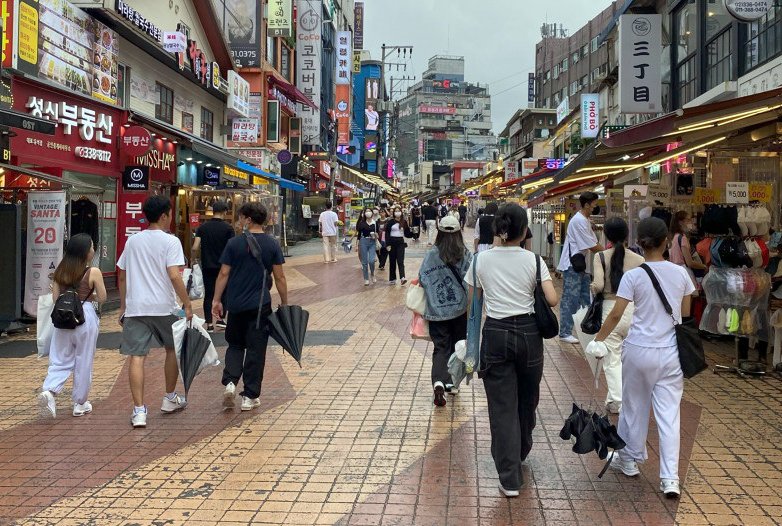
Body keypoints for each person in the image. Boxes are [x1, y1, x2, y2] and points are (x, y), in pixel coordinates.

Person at [594, 217, 694, 499]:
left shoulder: (634, 275)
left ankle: (628, 460)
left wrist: (599, 340)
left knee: (633, 408)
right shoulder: (681, 274)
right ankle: (670, 478)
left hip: (638, 350)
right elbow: (684, 313)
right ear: (666, 241)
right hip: (670, 354)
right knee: (669, 415)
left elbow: (616, 314)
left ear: (641, 242)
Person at [465, 204, 558, 497]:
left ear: (498, 230)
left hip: (495, 334)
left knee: (502, 407)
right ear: (524, 230)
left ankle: (509, 478)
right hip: (529, 335)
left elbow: (473, 304)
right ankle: (520, 451)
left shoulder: (481, 260)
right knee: (527, 401)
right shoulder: (534, 260)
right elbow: (553, 300)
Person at [117, 195, 192, 429]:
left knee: (137, 356)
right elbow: (174, 274)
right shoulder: (171, 242)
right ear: (163, 215)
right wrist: (187, 303)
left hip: (136, 308)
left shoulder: (133, 241)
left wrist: (123, 305)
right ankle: (169, 398)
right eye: (170, 214)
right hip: (164, 307)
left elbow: (121, 273)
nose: (171, 218)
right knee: (172, 349)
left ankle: (139, 411)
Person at [212, 202, 288, 411]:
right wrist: (285, 301)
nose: (239, 221)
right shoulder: (272, 244)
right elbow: (279, 277)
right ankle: (249, 396)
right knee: (255, 349)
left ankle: (229, 382)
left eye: (240, 217)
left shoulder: (234, 244)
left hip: (235, 304)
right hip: (259, 306)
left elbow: (223, 274)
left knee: (235, 344)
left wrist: (216, 299)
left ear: (248, 219)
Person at [38, 234, 107, 418]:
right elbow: (102, 298)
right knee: (83, 360)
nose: (94, 249)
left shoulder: (61, 270)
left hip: (62, 318)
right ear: (86, 252)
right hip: (85, 316)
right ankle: (80, 403)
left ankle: (49, 391)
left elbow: (55, 299)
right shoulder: (93, 272)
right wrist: (87, 296)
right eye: (92, 246)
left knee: (59, 358)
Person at [583, 217, 644, 414]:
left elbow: (599, 285)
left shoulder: (600, 257)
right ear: (627, 235)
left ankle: (619, 401)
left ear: (606, 235)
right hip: (633, 311)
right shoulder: (639, 260)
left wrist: (593, 287)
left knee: (612, 360)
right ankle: (614, 398)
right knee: (628, 359)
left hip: (611, 310)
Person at [419, 215, 472, 407]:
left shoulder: (432, 254)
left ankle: (438, 382)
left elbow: (422, 277)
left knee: (440, 347)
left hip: (436, 310)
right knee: (458, 347)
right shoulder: (465, 254)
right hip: (459, 310)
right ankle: (452, 383)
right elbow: (471, 280)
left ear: (439, 233)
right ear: (458, 233)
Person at [557, 192, 604, 344]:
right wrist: (610, 253)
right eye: (594, 204)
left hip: (580, 265)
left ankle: (586, 328)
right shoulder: (579, 221)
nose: (595, 207)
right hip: (572, 265)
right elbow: (592, 245)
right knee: (570, 298)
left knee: (585, 297)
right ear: (586, 205)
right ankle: (565, 332)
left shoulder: (584, 220)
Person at [192, 200, 234, 331]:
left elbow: (195, 247)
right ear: (225, 211)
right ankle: (221, 319)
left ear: (213, 211)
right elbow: (232, 247)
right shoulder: (228, 228)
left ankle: (209, 324)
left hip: (207, 266)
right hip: (224, 266)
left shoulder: (202, 227)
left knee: (209, 294)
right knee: (223, 292)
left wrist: (193, 260)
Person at [669, 210, 705, 295]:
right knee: (688, 299)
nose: (690, 222)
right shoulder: (682, 238)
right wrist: (703, 266)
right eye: (688, 220)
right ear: (681, 222)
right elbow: (689, 263)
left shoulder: (672, 237)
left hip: (673, 272)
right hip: (684, 273)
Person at [385, 207, 410, 285]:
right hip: (392, 242)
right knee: (392, 261)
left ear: (401, 212)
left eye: (399, 211)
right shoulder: (390, 222)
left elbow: (407, 233)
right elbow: (387, 233)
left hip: (400, 243)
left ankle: (402, 277)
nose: (397, 212)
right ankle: (392, 278)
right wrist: (387, 244)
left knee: (400, 260)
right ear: (393, 213)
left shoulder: (404, 222)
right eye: (396, 211)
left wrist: (413, 233)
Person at [356, 207, 378, 286]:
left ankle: (372, 274)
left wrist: (375, 235)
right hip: (363, 241)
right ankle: (366, 278)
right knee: (364, 262)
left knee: (371, 261)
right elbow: (359, 235)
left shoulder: (375, 223)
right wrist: (357, 245)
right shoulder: (362, 223)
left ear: (372, 213)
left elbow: (377, 234)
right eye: (367, 211)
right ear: (364, 213)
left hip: (372, 242)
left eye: (369, 211)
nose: (368, 212)